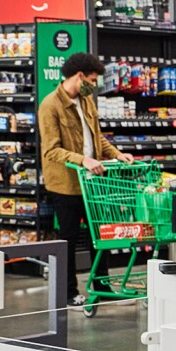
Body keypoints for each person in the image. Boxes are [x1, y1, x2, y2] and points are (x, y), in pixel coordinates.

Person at [39, 53, 134, 306]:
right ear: (79, 76)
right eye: (92, 79)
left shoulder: (87, 101)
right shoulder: (50, 105)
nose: (94, 84)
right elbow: (50, 150)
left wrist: (116, 154)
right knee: (68, 239)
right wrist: (83, 160)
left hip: (93, 181)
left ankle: (102, 286)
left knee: (99, 235)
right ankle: (68, 292)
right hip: (67, 184)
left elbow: (97, 137)